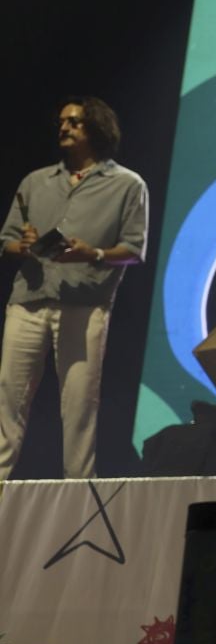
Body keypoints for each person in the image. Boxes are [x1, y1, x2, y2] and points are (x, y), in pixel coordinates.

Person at [0, 97, 149, 479]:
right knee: (7, 401)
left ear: (97, 128)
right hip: (28, 303)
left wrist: (92, 252)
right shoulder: (36, 181)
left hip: (85, 306)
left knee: (79, 406)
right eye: (62, 121)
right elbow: (7, 242)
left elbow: (133, 251)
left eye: (74, 122)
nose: (63, 127)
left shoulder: (127, 185)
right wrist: (26, 245)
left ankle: (77, 500)